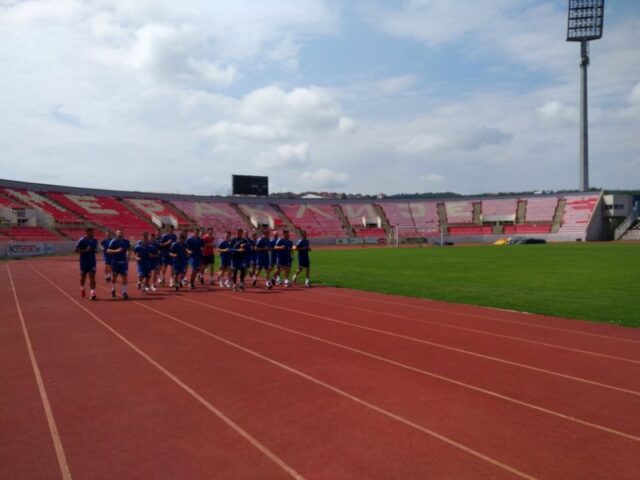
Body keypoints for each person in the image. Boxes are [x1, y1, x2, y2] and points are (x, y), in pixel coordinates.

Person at [107, 229, 131, 300]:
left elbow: (129, 250)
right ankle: (113, 289)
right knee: (114, 277)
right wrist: (116, 250)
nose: (120, 234)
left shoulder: (126, 242)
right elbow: (108, 250)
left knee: (125, 277)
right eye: (119, 233)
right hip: (115, 262)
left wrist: (128, 256)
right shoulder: (113, 241)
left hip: (123, 262)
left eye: (121, 233)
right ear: (116, 234)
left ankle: (124, 292)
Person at [75, 227, 98, 300]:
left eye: (93, 232)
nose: (93, 233)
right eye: (92, 232)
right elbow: (76, 251)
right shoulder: (82, 240)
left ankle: (92, 293)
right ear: (87, 232)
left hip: (92, 261)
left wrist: (95, 251)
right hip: (84, 262)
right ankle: (82, 287)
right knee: (83, 277)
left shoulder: (95, 240)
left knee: (92, 276)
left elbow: (94, 249)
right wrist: (85, 250)